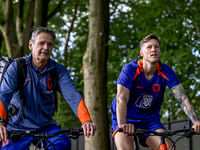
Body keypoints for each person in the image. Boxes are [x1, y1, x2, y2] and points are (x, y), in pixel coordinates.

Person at [0, 27, 96, 150]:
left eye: (49, 44)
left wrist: (86, 120)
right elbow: (4, 94)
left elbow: (72, 95)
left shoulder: (58, 70)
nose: (46, 47)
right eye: (41, 43)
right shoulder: (17, 67)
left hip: (46, 127)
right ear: (31, 45)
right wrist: (1, 122)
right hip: (18, 127)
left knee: (62, 144)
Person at [110, 33, 200, 150]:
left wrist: (196, 121)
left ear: (160, 51)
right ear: (141, 53)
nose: (154, 49)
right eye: (149, 47)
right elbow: (121, 98)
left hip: (150, 120)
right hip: (126, 118)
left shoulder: (166, 71)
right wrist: (122, 125)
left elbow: (182, 98)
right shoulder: (130, 69)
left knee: (167, 147)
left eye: (156, 47)